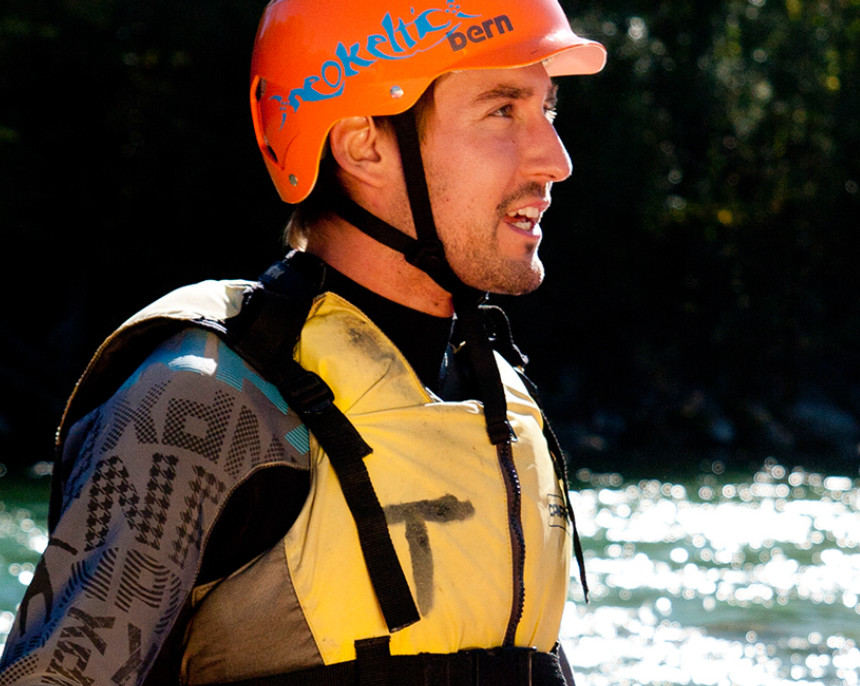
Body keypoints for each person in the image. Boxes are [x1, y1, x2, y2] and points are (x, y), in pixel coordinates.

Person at [0, 0, 605, 684]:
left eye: (547, 110)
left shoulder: (499, 395)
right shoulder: (207, 403)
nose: (557, 161)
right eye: (503, 110)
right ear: (362, 144)